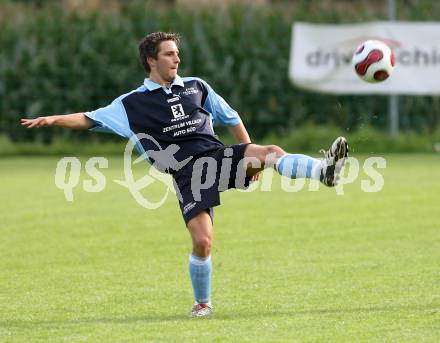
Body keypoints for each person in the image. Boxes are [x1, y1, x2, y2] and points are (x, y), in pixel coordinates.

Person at [21, 32, 348, 317]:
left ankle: (324, 171)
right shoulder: (131, 104)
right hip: (186, 173)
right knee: (203, 242)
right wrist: (53, 119)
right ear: (151, 60)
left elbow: (230, 117)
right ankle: (202, 304)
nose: (177, 57)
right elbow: (89, 118)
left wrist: (250, 160)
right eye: (169, 53)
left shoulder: (197, 87)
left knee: (271, 152)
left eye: (177, 52)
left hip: (217, 156)